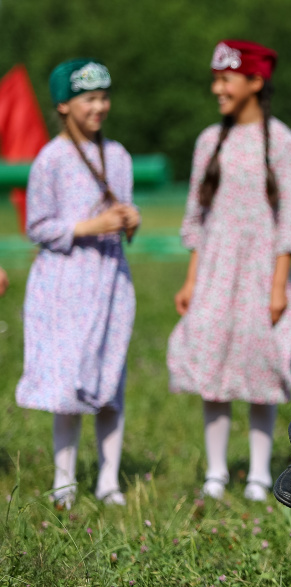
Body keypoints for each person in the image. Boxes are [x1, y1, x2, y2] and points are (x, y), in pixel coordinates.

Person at [167, 40, 291, 502]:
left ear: (255, 81)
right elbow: (197, 214)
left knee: (258, 364)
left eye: (225, 78)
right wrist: (191, 278)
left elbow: (289, 216)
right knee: (213, 361)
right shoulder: (210, 140)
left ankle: (260, 474)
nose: (216, 87)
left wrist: (279, 284)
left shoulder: (280, 140)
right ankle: (216, 471)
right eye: (216, 78)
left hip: (262, 271)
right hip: (216, 270)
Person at [16, 59, 140, 509]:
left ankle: (109, 480)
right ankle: (64, 478)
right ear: (64, 105)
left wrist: (129, 221)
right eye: (90, 98)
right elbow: (39, 226)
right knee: (69, 384)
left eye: (104, 97)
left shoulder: (120, 156)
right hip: (65, 285)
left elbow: (121, 212)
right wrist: (94, 225)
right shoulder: (50, 159)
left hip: (110, 282)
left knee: (111, 381)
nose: (100, 107)